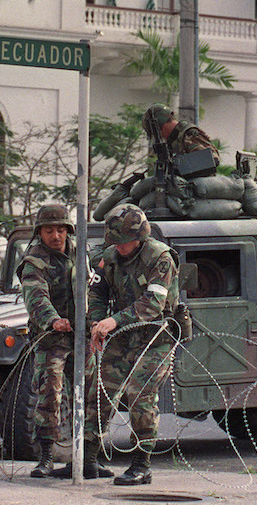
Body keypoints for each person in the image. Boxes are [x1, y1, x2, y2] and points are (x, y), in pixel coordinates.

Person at [79, 203, 180, 486]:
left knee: (139, 395)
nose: (120, 248)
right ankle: (88, 459)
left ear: (140, 237)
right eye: (116, 242)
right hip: (122, 337)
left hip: (155, 338)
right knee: (100, 392)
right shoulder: (109, 257)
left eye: (124, 243)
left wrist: (114, 321)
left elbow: (153, 304)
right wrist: (97, 325)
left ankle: (141, 464)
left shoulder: (159, 258)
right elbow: (97, 292)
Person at [17, 203, 110, 479]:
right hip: (51, 337)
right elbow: (35, 295)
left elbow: (95, 287)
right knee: (50, 394)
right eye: (49, 231)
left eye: (60, 230)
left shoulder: (81, 253)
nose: (55, 236)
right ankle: (46, 457)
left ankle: (89, 458)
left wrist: (97, 320)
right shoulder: (34, 259)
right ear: (39, 232)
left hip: (82, 335)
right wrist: (52, 319)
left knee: (92, 395)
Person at [141, 104, 219, 170]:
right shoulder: (173, 140)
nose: (160, 137)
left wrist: (178, 166)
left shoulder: (189, 134)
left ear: (163, 126)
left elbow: (212, 159)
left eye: (156, 134)